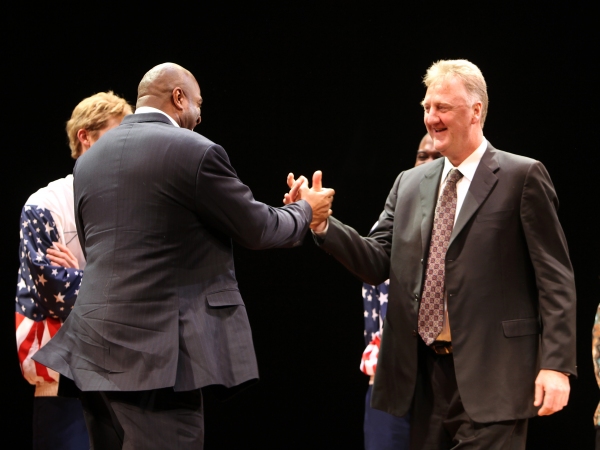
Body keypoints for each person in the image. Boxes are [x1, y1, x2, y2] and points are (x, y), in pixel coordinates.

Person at [33, 62, 334, 449]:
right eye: (197, 103)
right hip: (155, 361)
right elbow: (257, 229)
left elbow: (97, 248)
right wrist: (305, 210)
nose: (199, 115)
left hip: (93, 355)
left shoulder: (88, 161)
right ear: (178, 97)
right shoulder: (195, 151)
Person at [288, 59, 576, 449]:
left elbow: (555, 278)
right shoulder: (409, 183)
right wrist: (322, 224)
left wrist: (556, 365)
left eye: (442, 107)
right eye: (426, 107)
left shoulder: (521, 177)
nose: (431, 117)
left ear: (476, 111)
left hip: (495, 377)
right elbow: (377, 262)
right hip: (424, 379)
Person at [15, 91, 132, 449]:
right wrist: (114, 286)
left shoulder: (134, 204)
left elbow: (147, 284)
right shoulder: (45, 204)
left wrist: (79, 275)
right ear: (85, 136)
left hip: (128, 375)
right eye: (117, 136)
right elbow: (54, 293)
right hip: (63, 379)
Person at [361, 134, 440, 450]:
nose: (429, 165)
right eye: (423, 156)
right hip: (390, 381)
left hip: (448, 384)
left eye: (439, 156)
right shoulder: (388, 229)